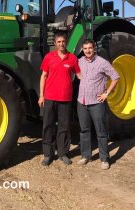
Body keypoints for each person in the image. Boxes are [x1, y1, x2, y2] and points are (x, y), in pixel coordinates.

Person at [38, 32, 81, 166]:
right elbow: (43, 76)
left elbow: (80, 75)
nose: (61, 44)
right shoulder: (49, 57)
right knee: (48, 126)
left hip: (65, 98)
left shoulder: (72, 58)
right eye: (59, 42)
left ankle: (63, 153)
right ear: (55, 43)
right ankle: (48, 154)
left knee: (64, 127)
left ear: (66, 42)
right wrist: (41, 95)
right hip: (50, 97)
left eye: (63, 41)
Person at [77, 39, 119, 170]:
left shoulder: (102, 62)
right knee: (84, 130)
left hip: (96, 102)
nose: (88, 51)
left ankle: (104, 159)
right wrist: (79, 76)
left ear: (94, 48)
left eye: (90, 48)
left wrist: (106, 93)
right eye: (85, 48)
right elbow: (76, 72)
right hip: (82, 101)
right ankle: (85, 156)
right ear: (83, 50)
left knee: (101, 132)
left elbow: (116, 77)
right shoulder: (80, 61)